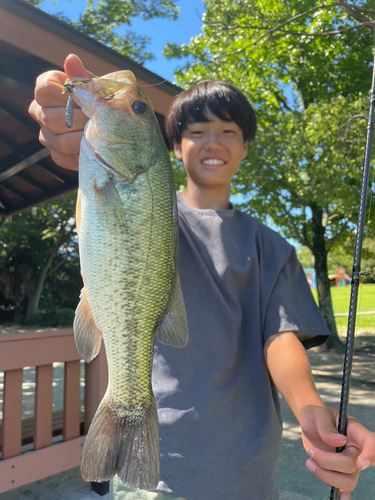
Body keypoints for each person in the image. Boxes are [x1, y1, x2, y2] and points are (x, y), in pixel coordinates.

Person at [29, 54, 375, 500]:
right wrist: (67, 126)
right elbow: (95, 182)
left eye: (228, 131)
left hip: (248, 473)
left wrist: (310, 410)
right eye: (196, 131)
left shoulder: (272, 248)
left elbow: (281, 338)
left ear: (246, 146)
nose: (213, 141)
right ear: (173, 146)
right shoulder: (157, 210)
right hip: (159, 470)